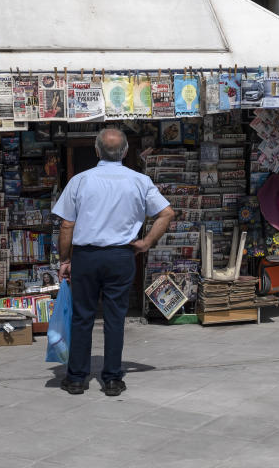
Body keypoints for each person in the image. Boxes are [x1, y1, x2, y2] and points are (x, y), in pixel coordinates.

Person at [53, 128, 175, 396]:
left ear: (97, 151)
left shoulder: (80, 181)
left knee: (82, 316)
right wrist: (146, 243)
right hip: (121, 256)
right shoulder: (139, 181)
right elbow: (166, 213)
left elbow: (66, 225)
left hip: (86, 255)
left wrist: (64, 259)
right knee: (115, 318)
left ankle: (76, 378)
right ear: (126, 152)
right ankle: (112, 379)